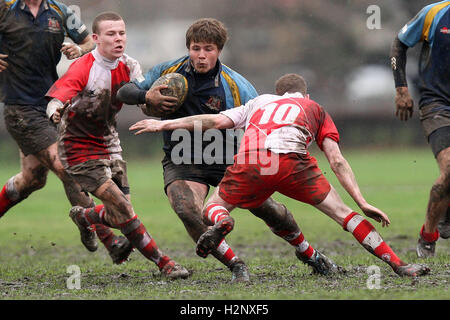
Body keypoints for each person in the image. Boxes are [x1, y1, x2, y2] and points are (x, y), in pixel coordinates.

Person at [130, 73, 431, 278]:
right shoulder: (314, 107)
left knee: (210, 209)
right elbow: (336, 160)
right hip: (292, 163)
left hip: (251, 161)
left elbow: (214, 121)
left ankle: (223, 221)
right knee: (345, 215)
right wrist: (362, 200)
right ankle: (400, 266)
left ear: (278, 93)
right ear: (305, 94)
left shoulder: (258, 103)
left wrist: (164, 125)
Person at [118, 18, 339, 281]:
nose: (201, 55)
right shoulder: (168, 72)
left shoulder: (237, 85)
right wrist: (146, 97)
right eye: (195, 48)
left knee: (268, 209)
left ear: (219, 50)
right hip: (182, 158)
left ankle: (308, 253)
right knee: (186, 208)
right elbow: (124, 92)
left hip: (228, 157)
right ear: (188, 47)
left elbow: (262, 120)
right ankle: (236, 266)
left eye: (208, 49)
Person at [46, 11, 189, 279]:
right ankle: (166, 264)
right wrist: (53, 110)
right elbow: (56, 98)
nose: (119, 38)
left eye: (122, 33)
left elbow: (144, 101)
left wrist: (155, 103)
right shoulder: (84, 66)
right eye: (111, 34)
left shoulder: (130, 66)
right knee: (122, 209)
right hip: (77, 148)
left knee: (120, 214)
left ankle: (85, 217)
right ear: (97, 39)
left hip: (110, 143)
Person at [0, 0, 131, 263]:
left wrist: (78, 49)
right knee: (66, 166)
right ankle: (107, 237)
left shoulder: (60, 11)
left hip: (52, 104)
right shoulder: (6, 9)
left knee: (33, 179)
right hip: (20, 109)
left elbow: (89, 43)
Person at [390, 1, 450, 258]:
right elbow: (399, 44)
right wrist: (401, 88)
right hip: (438, 103)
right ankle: (429, 234)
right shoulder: (435, 13)